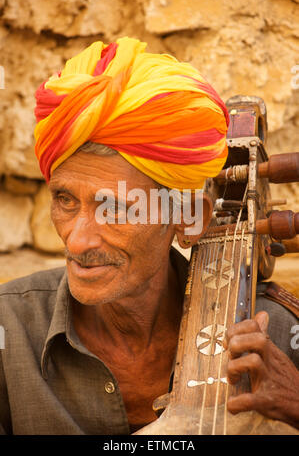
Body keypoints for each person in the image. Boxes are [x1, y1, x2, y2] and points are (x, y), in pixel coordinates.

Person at [0, 37, 298, 435]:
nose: (77, 242)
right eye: (65, 200)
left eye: (117, 208)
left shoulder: (274, 336)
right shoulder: (10, 330)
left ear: (189, 220)